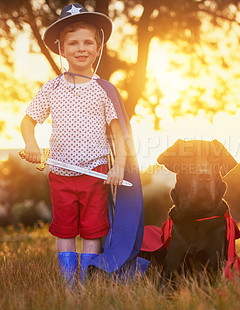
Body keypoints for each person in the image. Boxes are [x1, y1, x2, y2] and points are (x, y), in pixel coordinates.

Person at [20, 3, 148, 286]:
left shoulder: (104, 90)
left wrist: (118, 166)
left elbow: (119, 134)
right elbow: (28, 121)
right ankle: (70, 287)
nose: (81, 48)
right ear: (61, 49)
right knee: (65, 232)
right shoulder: (51, 88)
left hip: (96, 175)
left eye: (88, 42)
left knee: (92, 233)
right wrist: (31, 142)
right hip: (61, 176)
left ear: (98, 47)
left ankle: (88, 284)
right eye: (73, 43)